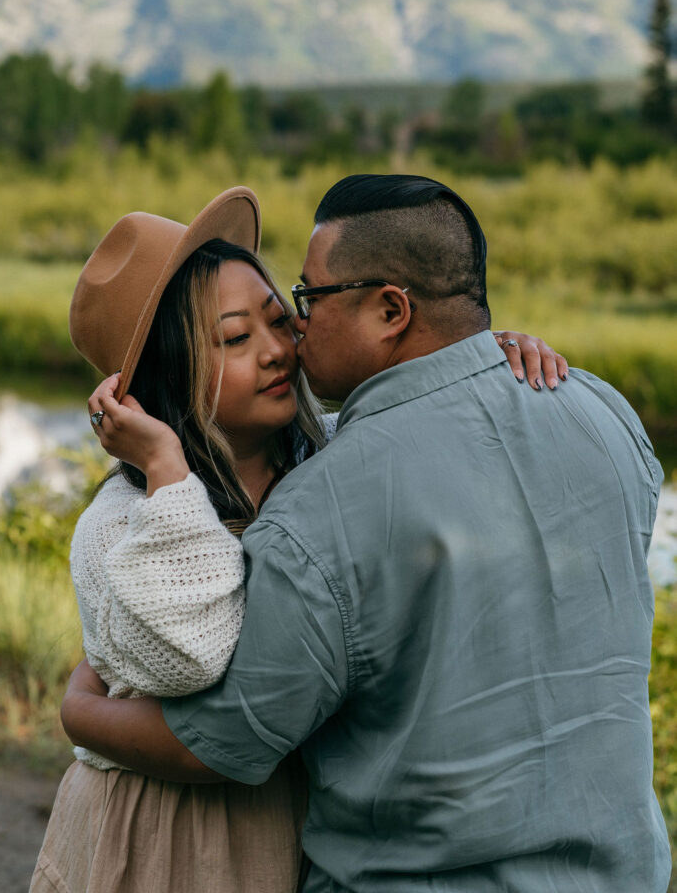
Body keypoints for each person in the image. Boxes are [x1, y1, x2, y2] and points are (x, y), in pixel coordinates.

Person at [61, 173, 670, 892]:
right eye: (237, 333)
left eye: (302, 304)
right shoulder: (600, 409)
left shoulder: (324, 493)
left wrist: (79, 712)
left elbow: (227, 741)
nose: (293, 333)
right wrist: (474, 355)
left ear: (390, 310)